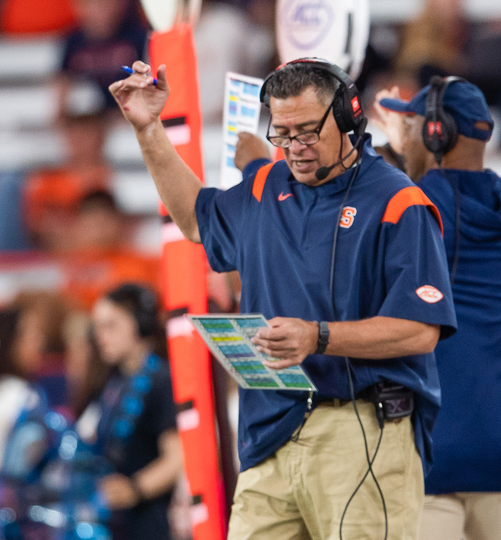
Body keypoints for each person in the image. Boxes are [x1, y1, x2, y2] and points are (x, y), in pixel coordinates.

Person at [110, 58, 457, 539]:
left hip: (363, 434)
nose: (294, 147)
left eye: (309, 131)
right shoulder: (262, 187)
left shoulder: (400, 202)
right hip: (268, 434)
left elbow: (421, 330)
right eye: (283, 132)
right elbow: (193, 219)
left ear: (348, 117)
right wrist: (148, 129)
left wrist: (316, 337)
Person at [375, 77, 501, 540]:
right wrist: (405, 140)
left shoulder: (411, 207)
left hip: (433, 459)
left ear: (435, 133)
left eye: (413, 124)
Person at [78, 283, 182, 540]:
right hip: (115, 523)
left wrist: (134, 489)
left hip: (150, 524)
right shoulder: (114, 381)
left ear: (141, 324)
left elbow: (176, 458)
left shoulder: (162, 379)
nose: (101, 336)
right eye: (97, 328)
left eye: (111, 326)